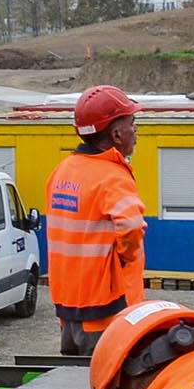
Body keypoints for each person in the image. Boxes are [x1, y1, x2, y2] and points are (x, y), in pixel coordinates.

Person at [44, 84, 148, 355]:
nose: (135, 131)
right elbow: (132, 228)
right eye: (132, 123)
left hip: (69, 310)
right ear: (115, 134)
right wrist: (124, 259)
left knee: (73, 383)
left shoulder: (62, 171)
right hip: (107, 310)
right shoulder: (113, 176)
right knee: (105, 388)